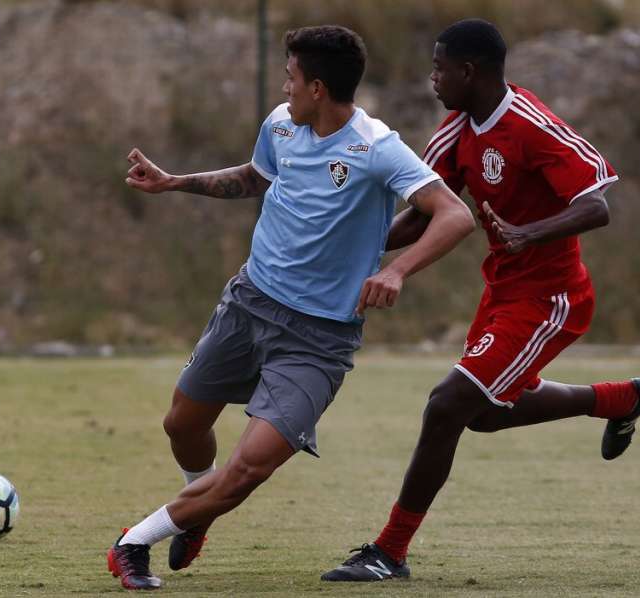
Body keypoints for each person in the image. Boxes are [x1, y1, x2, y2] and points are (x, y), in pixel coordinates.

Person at [107, 25, 475, 590]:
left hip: (318, 339)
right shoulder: (282, 124)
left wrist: (397, 269)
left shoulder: (376, 147)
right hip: (249, 303)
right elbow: (256, 176)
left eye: (292, 78)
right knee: (181, 424)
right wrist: (175, 182)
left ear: (319, 88)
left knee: (248, 470)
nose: (285, 87)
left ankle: (133, 544)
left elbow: (453, 214)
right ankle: (197, 507)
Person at [321, 19, 640, 582]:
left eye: (439, 68)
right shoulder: (457, 131)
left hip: (552, 298)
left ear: (468, 71)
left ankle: (389, 551)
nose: (432, 78)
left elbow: (597, 205)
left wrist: (530, 233)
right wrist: (359, 246)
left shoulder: (532, 125)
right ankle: (621, 399)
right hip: (502, 292)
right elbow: (428, 210)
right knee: (481, 416)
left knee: (446, 404)